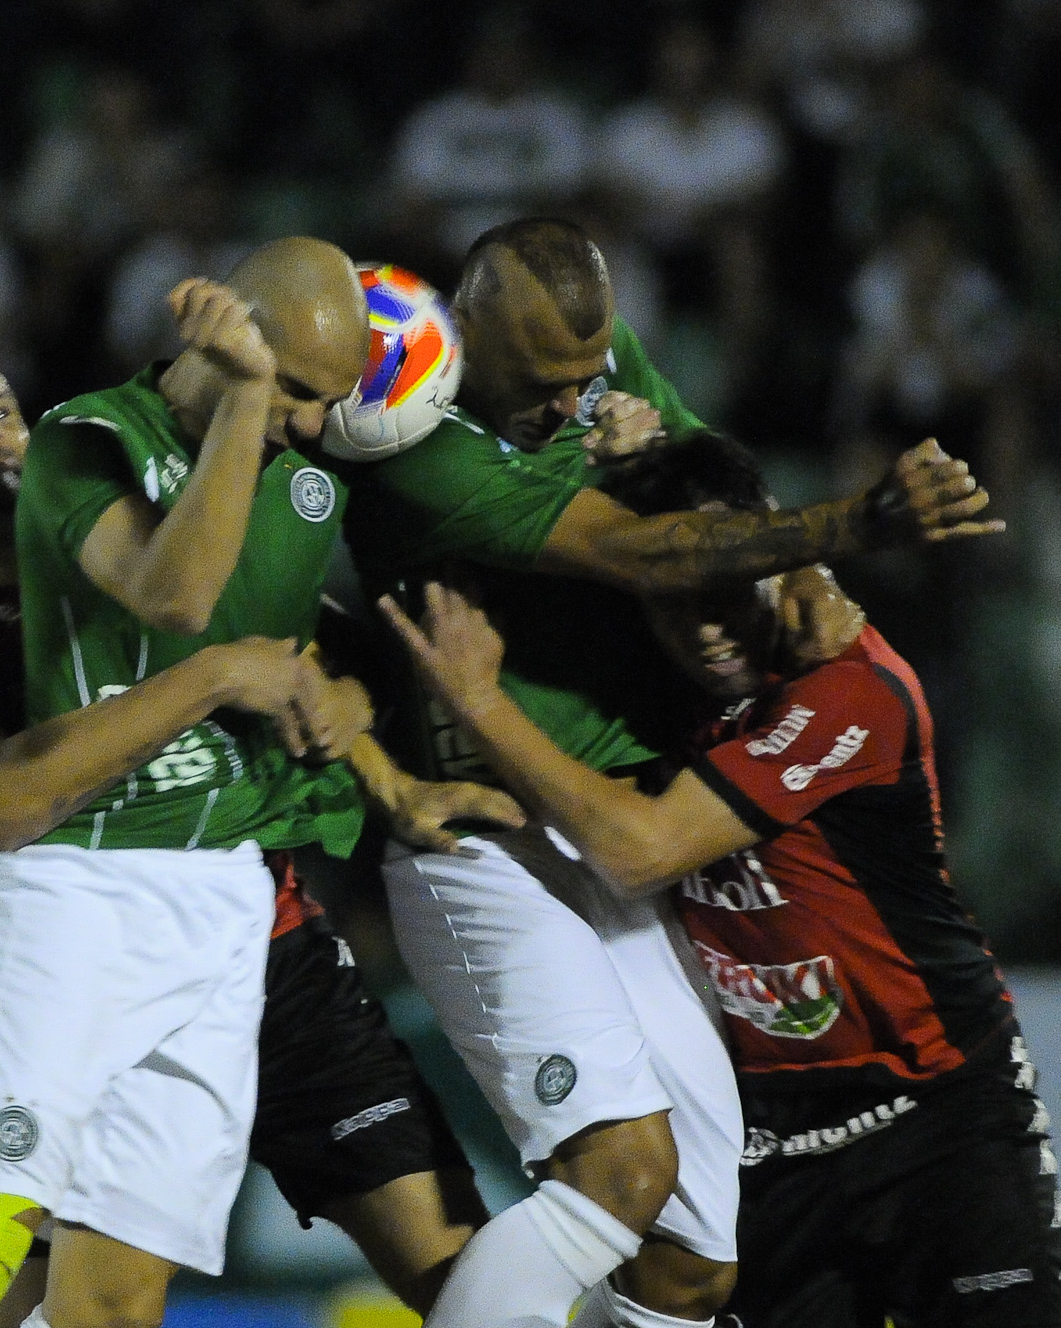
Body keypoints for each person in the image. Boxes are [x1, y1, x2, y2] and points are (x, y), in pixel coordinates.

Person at [332, 216, 1000, 1328]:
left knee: (693, 1260)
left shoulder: (592, 366)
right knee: (620, 1173)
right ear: (471, 334)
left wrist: (784, 558)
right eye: (543, 385)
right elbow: (635, 549)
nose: (571, 401)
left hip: (619, 837)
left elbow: (714, 498)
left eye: (587, 376)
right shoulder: (410, 434)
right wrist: (855, 522)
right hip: (486, 842)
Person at [0, 354, 515, 1328]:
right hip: (87, 958)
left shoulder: (135, 545)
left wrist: (356, 717)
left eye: (2, 410)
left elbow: (332, 651)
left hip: (267, 947)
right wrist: (211, 676)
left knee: (456, 1273)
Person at [381, 430, 1061, 1328]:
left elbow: (642, 851)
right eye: (674, 604)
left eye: (726, 591)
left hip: (941, 1116)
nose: (705, 629)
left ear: (771, 558)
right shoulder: (659, 690)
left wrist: (478, 701)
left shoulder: (852, 689)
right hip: (775, 1138)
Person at [0, 235, 501, 1328]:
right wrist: (245, 400)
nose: (313, 425)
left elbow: (310, 639)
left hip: (268, 927)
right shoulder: (84, 443)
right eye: (298, 393)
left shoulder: (305, 475)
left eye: (324, 401)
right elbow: (177, 595)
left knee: (463, 1272)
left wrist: (359, 716)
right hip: (117, 929)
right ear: (235, 337)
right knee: (89, 1302)